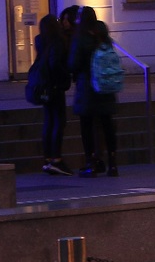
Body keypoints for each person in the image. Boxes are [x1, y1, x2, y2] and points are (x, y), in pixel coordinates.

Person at [73, 17, 122, 177]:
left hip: (89, 91)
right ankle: (113, 163)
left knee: (87, 127)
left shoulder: (84, 43)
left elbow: (73, 65)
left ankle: (91, 162)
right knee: (107, 126)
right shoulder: (108, 45)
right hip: (107, 90)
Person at [28, 14, 73, 175]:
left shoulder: (40, 40)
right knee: (58, 122)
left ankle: (47, 159)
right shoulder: (57, 41)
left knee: (48, 121)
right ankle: (56, 159)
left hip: (44, 86)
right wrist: (66, 76)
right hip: (54, 86)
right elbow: (55, 63)